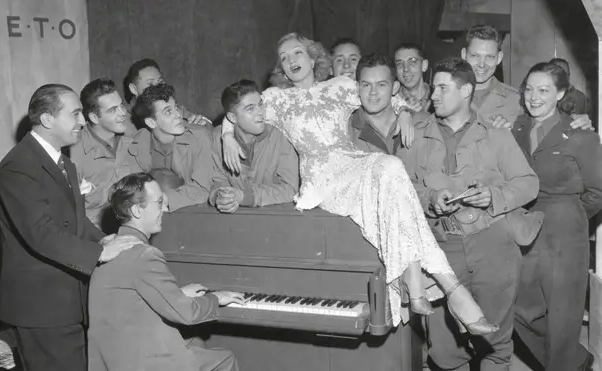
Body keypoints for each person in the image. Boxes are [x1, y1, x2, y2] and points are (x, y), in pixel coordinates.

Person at [220, 32, 497, 333]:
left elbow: (385, 90)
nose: (291, 61)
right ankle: (446, 288)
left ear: (313, 57)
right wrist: (226, 136)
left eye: (297, 53)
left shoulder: (339, 87)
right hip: (320, 176)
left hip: (352, 161)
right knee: (390, 171)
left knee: (392, 169)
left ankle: (423, 286)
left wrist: (404, 112)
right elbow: (237, 109)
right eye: (284, 58)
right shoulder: (275, 98)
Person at [401, 57, 541, 371]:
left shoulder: (496, 135)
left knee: (495, 340)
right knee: (446, 349)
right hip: (441, 248)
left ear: (465, 91)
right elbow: (402, 187)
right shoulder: (415, 136)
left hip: (493, 244)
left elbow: (529, 183)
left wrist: (494, 195)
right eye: (433, 88)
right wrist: (431, 198)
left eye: (441, 87)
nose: (433, 95)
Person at [0, 84, 139, 371]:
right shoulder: (18, 167)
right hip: (41, 307)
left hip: (70, 301)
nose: (83, 122)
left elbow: (75, 220)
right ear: (47, 120)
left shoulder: (63, 163)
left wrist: (105, 239)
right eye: (75, 114)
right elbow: (40, 233)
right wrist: (98, 253)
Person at [88, 172, 243, 371]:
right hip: (144, 362)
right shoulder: (144, 254)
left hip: (113, 358)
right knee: (225, 359)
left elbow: (132, 298)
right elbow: (187, 313)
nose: (165, 209)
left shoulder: (108, 249)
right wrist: (216, 298)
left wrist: (179, 294)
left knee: (194, 342)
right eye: (159, 202)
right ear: (137, 210)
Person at [512, 62, 602, 371]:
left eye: (544, 90)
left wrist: (572, 216)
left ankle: (563, 363)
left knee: (563, 318)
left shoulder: (580, 134)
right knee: (518, 308)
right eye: (529, 89)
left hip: (564, 234)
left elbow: (598, 190)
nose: (534, 97)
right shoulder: (516, 128)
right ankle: (575, 362)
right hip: (524, 229)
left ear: (561, 93)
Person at [462, 25, 593, 131]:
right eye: (475, 55)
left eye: (489, 57)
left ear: (499, 58)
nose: (482, 64)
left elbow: (546, 126)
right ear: (464, 55)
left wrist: (576, 122)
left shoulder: (518, 101)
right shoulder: (445, 96)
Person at [210, 79, 299, 213]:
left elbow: (291, 188)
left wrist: (246, 197)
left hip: (275, 219)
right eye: (250, 108)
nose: (260, 112)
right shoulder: (216, 139)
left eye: (260, 104)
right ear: (232, 118)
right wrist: (220, 196)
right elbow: (215, 180)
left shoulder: (278, 137)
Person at [127, 83, 214, 212]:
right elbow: (132, 190)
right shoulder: (137, 144)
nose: (178, 115)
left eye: (176, 107)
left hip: (194, 211)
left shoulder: (199, 137)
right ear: (151, 122)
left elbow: (202, 189)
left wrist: (164, 200)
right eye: (168, 111)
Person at [71, 78, 136, 231]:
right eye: (113, 110)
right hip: (94, 236)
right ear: (94, 117)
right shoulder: (73, 152)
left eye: (121, 105)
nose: (122, 113)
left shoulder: (135, 135)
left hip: (133, 228)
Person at [349, 53, 429, 155]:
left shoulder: (423, 124)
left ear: (395, 88)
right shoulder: (345, 131)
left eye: (381, 85)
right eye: (366, 85)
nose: (373, 92)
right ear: (357, 88)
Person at [122, 58, 211, 134]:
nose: (157, 88)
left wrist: (202, 125)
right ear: (133, 89)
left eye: (160, 82)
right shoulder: (122, 119)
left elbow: (211, 129)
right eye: (150, 84)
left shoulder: (175, 110)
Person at [394, 43, 432, 113]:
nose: (405, 69)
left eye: (412, 62)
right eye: (399, 64)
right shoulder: (389, 103)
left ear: (424, 65)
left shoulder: (439, 98)